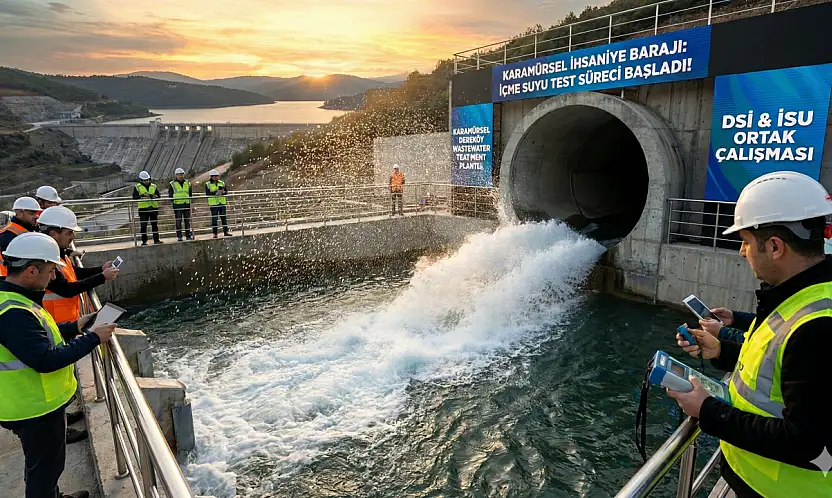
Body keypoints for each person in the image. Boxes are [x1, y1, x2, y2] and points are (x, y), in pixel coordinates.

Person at [670, 171, 832, 498]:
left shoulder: (818, 329)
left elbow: (807, 443)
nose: (743, 253)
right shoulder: (801, 295)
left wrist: (707, 411)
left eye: (745, 242)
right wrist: (720, 351)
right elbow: (776, 365)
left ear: (774, 246)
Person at [0, 232, 116, 498]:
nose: (54, 278)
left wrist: (75, 326)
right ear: (31, 270)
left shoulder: (13, 298)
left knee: (44, 465)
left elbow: (39, 340)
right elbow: (45, 359)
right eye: (51, 271)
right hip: (33, 407)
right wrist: (93, 338)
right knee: (44, 470)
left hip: (30, 403)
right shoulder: (14, 312)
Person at [38, 206, 118, 444]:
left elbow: (74, 274)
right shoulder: (46, 258)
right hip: (55, 322)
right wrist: (102, 278)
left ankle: (62, 418)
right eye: (69, 233)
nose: (73, 238)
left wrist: (99, 271)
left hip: (65, 323)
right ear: (54, 233)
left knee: (63, 374)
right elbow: (65, 288)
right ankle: (58, 429)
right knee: (56, 374)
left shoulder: (58, 253)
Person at [0, 197, 41, 277]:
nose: (36, 216)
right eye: (31, 213)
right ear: (19, 213)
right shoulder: (7, 236)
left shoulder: (26, 232)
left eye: (36, 213)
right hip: (9, 281)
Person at [133, 171, 162, 245]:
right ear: (141, 180)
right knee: (143, 226)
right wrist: (142, 195)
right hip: (143, 209)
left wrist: (152, 196)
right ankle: (144, 241)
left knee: (154, 225)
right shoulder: (137, 187)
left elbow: (158, 196)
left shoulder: (153, 186)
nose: (146, 181)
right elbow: (134, 197)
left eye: (147, 180)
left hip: (153, 208)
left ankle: (156, 240)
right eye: (145, 180)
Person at [168, 168, 193, 242]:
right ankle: (179, 236)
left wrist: (189, 201)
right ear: (176, 175)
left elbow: (190, 193)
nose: (181, 176)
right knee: (178, 221)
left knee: (187, 221)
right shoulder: (172, 184)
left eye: (182, 174)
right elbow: (170, 194)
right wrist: (173, 202)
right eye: (179, 175)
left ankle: (188, 236)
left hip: (186, 204)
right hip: (177, 205)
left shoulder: (187, 183)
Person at [205, 169, 232, 238]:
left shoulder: (222, 183)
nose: (216, 177)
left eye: (217, 176)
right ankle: (215, 233)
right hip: (213, 204)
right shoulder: (208, 184)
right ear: (211, 177)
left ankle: (226, 232)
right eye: (214, 176)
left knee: (224, 218)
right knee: (214, 219)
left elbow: (226, 192)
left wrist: (222, 192)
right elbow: (207, 193)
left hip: (222, 203)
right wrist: (215, 192)